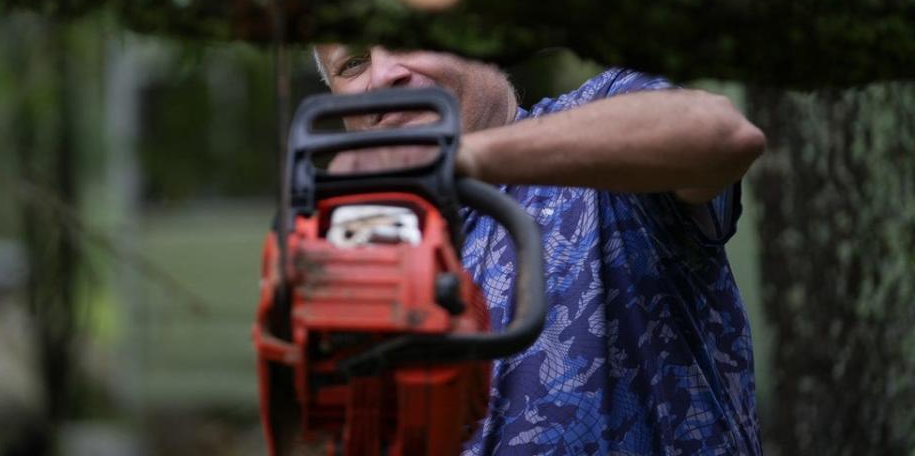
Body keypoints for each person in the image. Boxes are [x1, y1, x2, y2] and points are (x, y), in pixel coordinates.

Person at [314, 45, 766, 456]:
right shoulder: (359, 255)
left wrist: (456, 159)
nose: (385, 73)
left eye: (407, 36)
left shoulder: (601, 116)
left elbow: (722, 134)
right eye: (353, 63)